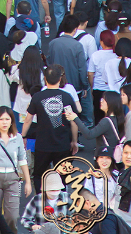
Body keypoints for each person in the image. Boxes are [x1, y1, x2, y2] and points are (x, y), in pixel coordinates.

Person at [21, 64, 78, 192]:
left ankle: (40, 200)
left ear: (45, 79)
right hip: (62, 143)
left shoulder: (37, 97)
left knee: (39, 174)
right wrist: (74, 141)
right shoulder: (67, 97)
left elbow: (28, 119)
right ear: (60, 79)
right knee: (62, 175)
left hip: (43, 144)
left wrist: (23, 136)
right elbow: (73, 122)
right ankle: (61, 201)